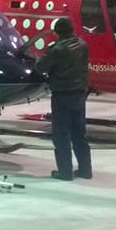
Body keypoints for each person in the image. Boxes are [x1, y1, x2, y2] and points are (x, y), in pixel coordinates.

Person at [36, 17, 92, 180]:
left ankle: (65, 172)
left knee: (61, 134)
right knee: (79, 133)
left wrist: (44, 53)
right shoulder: (82, 44)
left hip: (62, 93)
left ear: (57, 32)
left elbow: (41, 67)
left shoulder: (57, 49)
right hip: (80, 93)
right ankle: (85, 170)